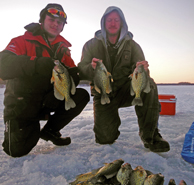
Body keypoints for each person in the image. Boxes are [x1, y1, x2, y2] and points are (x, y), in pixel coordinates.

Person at [0, 3, 90, 157]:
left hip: (49, 99)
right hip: (23, 104)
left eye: (59, 22)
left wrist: (80, 73)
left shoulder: (63, 49)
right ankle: (25, 125)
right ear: (42, 20)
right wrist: (36, 63)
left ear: (62, 27)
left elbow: (73, 71)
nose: (55, 24)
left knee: (81, 95)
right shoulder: (21, 41)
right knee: (16, 150)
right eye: (51, 19)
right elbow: (3, 65)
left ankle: (50, 131)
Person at [78, 6, 170, 152]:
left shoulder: (133, 46)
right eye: (109, 20)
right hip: (103, 94)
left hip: (126, 90)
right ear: (103, 23)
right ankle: (110, 124)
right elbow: (81, 70)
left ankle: (151, 136)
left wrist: (143, 69)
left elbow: (142, 72)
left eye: (116, 20)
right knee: (105, 138)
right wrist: (91, 67)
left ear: (122, 23)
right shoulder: (90, 45)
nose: (113, 23)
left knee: (149, 85)